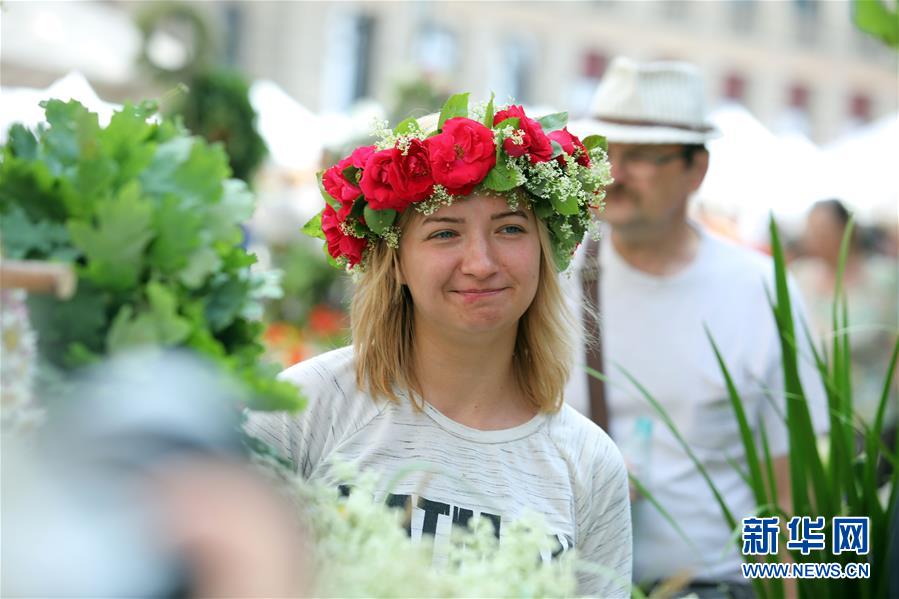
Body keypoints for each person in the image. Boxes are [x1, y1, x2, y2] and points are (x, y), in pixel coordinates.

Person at [247, 98, 632, 596]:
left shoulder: (588, 463)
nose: (480, 262)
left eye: (510, 228)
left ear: (546, 251)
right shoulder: (299, 411)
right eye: (444, 233)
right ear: (397, 263)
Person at [566, 57, 827, 596]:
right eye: (603, 152)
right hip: (573, 579)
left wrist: (784, 585)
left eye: (639, 156)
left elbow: (791, 488)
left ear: (696, 169)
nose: (613, 171)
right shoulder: (549, 279)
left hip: (719, 582)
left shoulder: (761, 288)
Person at [791, 198, 898, 427]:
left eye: (823, 231)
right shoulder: (801, 278)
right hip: (819, 416)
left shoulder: (884, 278)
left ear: (848, 229)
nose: (816, 239)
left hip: (875, 416)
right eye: (811, 231)